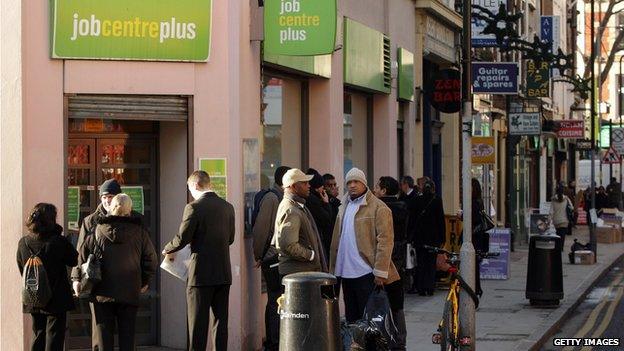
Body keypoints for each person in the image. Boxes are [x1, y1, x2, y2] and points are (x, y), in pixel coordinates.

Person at [162, 171, 235, 351]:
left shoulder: (193, 207)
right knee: (220, 323)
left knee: (198, 325)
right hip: (223, 273)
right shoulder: (227, 207)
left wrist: (167, 248)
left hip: (200, 275)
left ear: (195, 186)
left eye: (189, 189)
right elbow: (231, 239)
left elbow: (182, 238)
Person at [74, 194, 157, 351]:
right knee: (128, 337)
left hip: (101, 291)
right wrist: (144, 281)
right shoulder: (140, 232)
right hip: (130, 291)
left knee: (103, 338)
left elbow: (82, 257)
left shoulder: (97, 230)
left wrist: (76, 279)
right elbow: (151, 260)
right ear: (130, 210)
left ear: (111, 209)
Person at [330, 168, 399, 323]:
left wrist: (380, 272)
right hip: (345, 273)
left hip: (366, 272)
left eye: (356, 181)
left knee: (369, 322)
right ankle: (355, 346)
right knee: (352, 320)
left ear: (364, 184)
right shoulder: (343, 205)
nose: (352, 185)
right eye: (349, 182)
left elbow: (386, 241)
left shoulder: (378, 207)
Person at [17, 203, 78, 351]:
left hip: (33, 296)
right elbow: (73, 260)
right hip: (56, 297)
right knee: (54, 336)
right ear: (51, 220)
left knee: (38, 333)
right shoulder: (57, 241)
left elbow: (21, 267)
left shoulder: (23, 242)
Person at [251, 165, 290, 351]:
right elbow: (261, 229)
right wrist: (259, 255)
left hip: (276, 257)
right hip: (272, 258)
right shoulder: (272, 198)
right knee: (276, 299)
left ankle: (277, 340)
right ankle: (273, 342)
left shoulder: (280, 198)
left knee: (279, 299)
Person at [373, 176, 409, 350]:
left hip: (385, 261)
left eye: (377, 187)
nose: (374, 190)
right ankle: (400, 341)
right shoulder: (402, 207)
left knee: (379, 302)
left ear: (384, 190)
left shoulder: (381, 209)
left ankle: (383, 339)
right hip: (399, 260)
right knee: (397, 304)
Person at [274, 168, 327, 276]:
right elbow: (289, 245)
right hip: (299, 275)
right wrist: (311, 255)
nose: (309, 186)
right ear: (293, 186)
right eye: (304, 183)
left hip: (302, 273)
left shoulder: (297, 206)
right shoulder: (291, 209)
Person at [410, 179, 445, 296]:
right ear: (433, 188)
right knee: (430, 263)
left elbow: (412, 220)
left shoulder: (416, 200)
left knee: (420, 263)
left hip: (419, 238)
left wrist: (411, 236)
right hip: (433, 238)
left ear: (422, 189)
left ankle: (421, 288)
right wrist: (442, 238)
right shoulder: (437, 200)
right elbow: (441, 220)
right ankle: (430, 287)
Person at [306, 168, 334, 264]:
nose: (324, 189)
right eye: (322, 186)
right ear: (317, 188)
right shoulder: (313, 201)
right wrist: (326, 203)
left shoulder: (312, 199)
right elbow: (327, 219)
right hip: (318, 240)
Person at [471, 179, 489, 297]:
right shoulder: (479, 201)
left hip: (475, 237)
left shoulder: (474, 202)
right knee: (475, 264)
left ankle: (476, 288)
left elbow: (475, 219)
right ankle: (477, 288)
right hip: (478, 236)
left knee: (474, 264)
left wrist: (463, 216)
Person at [550, 185, 573, 252]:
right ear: (563, 192)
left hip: (556, 221)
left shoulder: (553, 200)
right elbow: (572, 207)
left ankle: (557, 247)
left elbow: (551, 211)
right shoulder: (566, 199)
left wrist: (548, 220)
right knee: (562, 235)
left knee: (557, 234)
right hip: (565, 220)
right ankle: (561, 248)